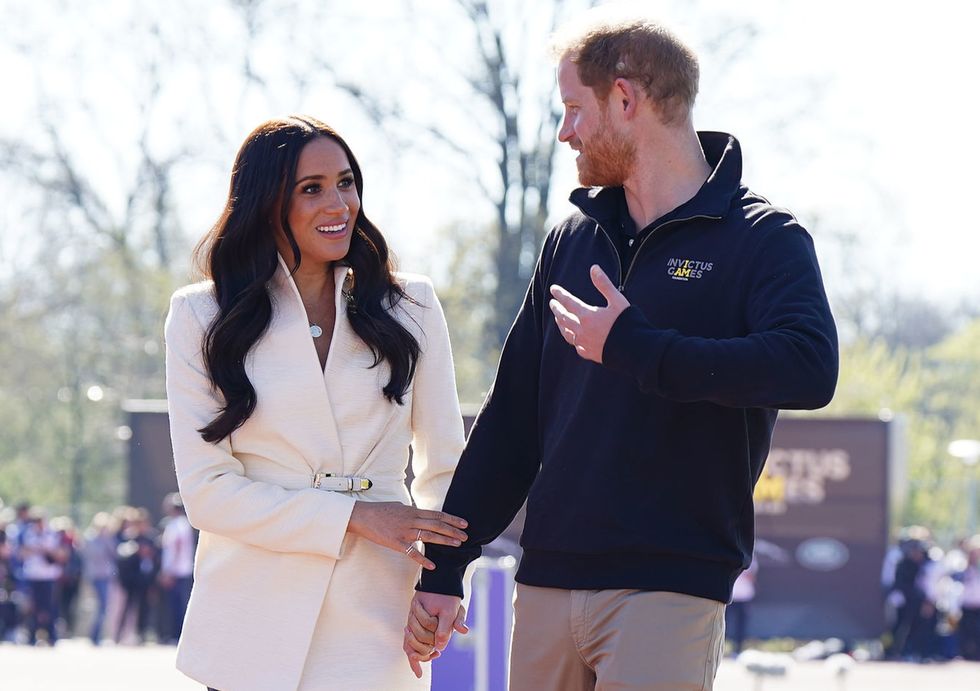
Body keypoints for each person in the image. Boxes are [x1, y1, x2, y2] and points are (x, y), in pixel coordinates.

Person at [403, 9, 838, 690]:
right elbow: (513, 419)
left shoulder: (765, 238)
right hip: (546, 579)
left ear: (626, 98)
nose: (564, 130)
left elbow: (810, 367)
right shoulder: (569, 239)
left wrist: (639, 347)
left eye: (574, 108)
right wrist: (443, 567)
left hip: (669, 588)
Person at [164, 115, 467, 691]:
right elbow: (207, 493)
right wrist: (354, 516)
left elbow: (444, 467)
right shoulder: (200, 316)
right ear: (265, 202)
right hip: (251, 619)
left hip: (379, 614)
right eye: (312, 188)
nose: (339, 204)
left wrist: (444, 582)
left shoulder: (414, 306)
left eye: (346, 183)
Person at [158, 492, 194, 643]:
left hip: (177, 571)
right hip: (181, 570)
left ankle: (176, 635)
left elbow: (177, 547)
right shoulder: (183, 523)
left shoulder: (176, 525)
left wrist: (169, 571)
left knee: (177, 605)